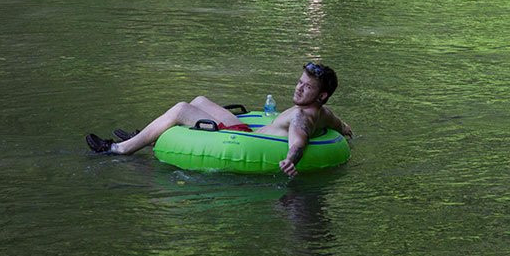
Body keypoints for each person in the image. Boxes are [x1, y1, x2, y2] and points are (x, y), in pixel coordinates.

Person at [86, 62, 353, 177]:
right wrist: (347, 132)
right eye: (299, 82)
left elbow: (298, 141)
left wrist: (290, 162)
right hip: (247, 129)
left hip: (241, 139)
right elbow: (339, 124)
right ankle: (148, 134)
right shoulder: (324, 113)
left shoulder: (301, 117)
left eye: (307, 87)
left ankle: (120, 149)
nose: (298, 88)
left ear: (322, 95)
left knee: (181, 109)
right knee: (200, 100)